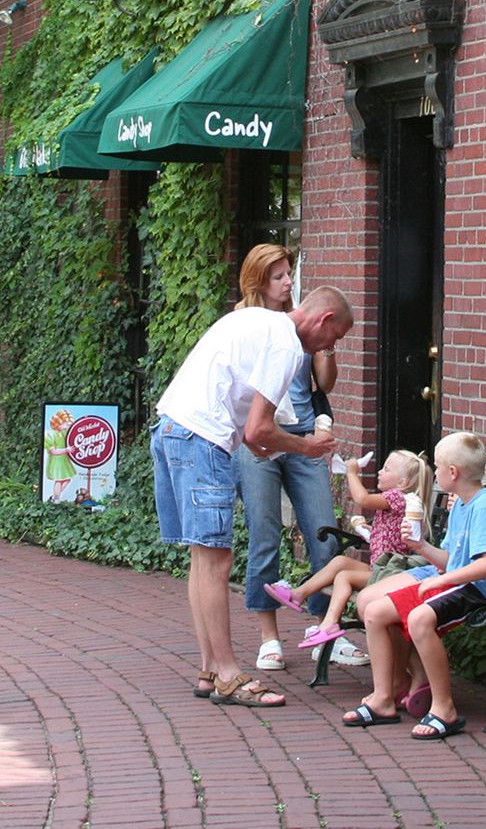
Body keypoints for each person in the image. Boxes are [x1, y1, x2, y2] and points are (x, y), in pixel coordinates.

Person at [152, 285, 351, 708]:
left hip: (173, 427)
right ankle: (228, 674)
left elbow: (250, 424)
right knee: (216, 559)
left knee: (201, 556)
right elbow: (257, 430)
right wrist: (305, 447)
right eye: (335, 339)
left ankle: (209, 669)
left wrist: (263, 441)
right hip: (202, 438)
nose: (331, 347)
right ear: (324, 320)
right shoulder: (286, 346)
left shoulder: (257, 319)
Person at [231, 243, 370, 670]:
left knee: (324, 531)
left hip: (305, 436)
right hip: (258, 440)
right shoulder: (246, 322)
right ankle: (268, 637)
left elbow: (324, 384)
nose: (288, 281)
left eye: (289, 273)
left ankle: (324, 628)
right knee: (265, 532)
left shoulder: (306, 323)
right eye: (278, 275)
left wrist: (326, 344)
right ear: (258, 280)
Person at [342, 431, 486, 739]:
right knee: (376, 612)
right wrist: (420, 545)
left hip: (480, 589)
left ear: (453, 473)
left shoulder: (485, 506)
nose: (433, 473)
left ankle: (444, 708)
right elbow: (451, 558)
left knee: (420, 617)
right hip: (456, 582)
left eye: (436, 466)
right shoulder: (461, 505)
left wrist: (444, 578)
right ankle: (383, 699)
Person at [265, 447, 434, 649]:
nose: (380, 471)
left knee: (344, 576)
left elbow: (362, 499)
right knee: (340, 562)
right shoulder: (395, 501)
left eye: (386, 469)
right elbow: (388, 538)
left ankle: (330, 624)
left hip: (391, 573)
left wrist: (351, 472)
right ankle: (298, 594)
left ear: (402, 483)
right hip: (381, 568)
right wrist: (366, 529)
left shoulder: (398, 498)